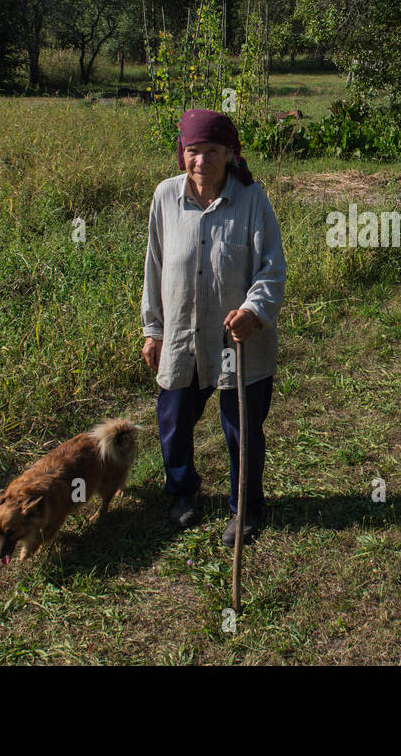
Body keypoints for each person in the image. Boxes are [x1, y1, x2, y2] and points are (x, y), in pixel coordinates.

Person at [141, 108, 286, 546]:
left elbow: (271, 269)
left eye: (212, 151)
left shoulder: (252, 199)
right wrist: (153, 330)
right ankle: (184, 492)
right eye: (193, 151)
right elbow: (154, 266)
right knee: (173, 422)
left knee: (241, 428)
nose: (201, 161)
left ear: (230, 153)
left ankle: (245, 509)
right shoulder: (166, 197)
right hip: (182, 338)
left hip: (235, 342)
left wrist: (253, 311)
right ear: (182, 154)